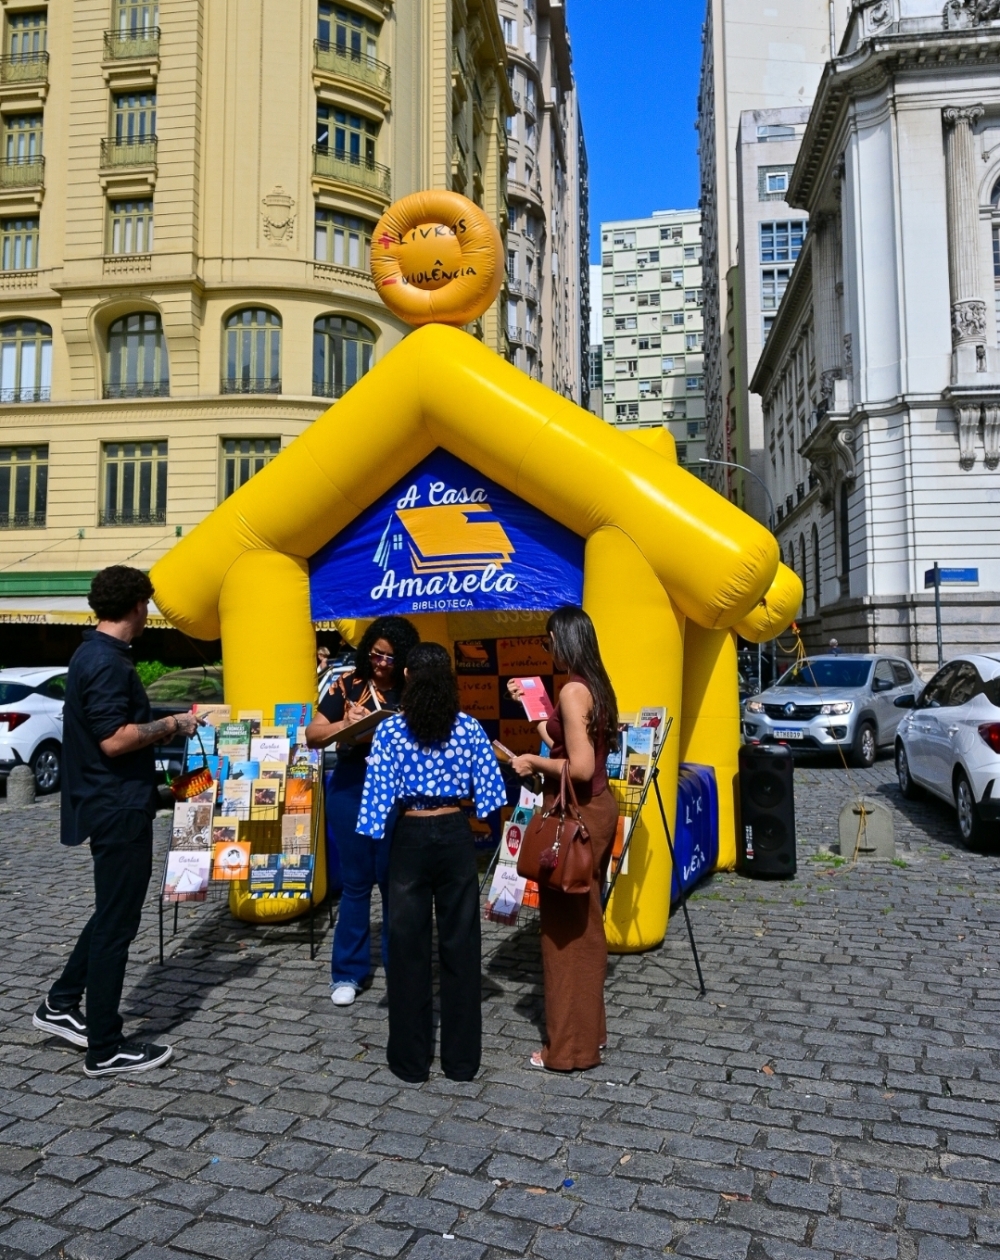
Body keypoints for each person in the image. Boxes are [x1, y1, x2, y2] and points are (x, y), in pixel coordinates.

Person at [32, 566, 199, 1077]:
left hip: (118, 800)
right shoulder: (106, 662)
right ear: (136, 606)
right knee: (118, 924)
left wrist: (157, 790)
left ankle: (60, 1004)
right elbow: (114, 740)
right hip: (116, 810)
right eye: (146, 605)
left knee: (110, 913)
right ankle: (105, 1046)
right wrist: (173, 724)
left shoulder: (93, 654)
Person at [357, 643, 506, 1083]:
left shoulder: (390, 731)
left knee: (407, 949)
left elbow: (374, 807)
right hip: (455, 833)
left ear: (406, 674)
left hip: (411, 835)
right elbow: (492, 798)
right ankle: (462, 1062)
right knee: (462, 945)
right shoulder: (469, 728)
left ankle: (410, 1061)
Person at [508, 606, 619, 1072]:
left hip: (576, 815)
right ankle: (589, 1036)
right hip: (595, 810)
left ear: (563, 640)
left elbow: (580, 767)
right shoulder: (593, 684)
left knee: (565, 937)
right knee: (586, 927)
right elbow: (564, 742)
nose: (547, 649)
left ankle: (569, 1050)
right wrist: (529, 707)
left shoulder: (573, 691)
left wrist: (531, 764)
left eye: (548, 642)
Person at [305, 616, 419, 1006]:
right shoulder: (346, 683)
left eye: (390, 657)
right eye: (376, 654)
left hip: (399, 787)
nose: (382, 662)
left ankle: (400, 968)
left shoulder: (412, 687)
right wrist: (344, 724)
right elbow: (313, 734)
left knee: (394, 882)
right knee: (356, 882)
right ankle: (348, 973)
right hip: (353, 783)